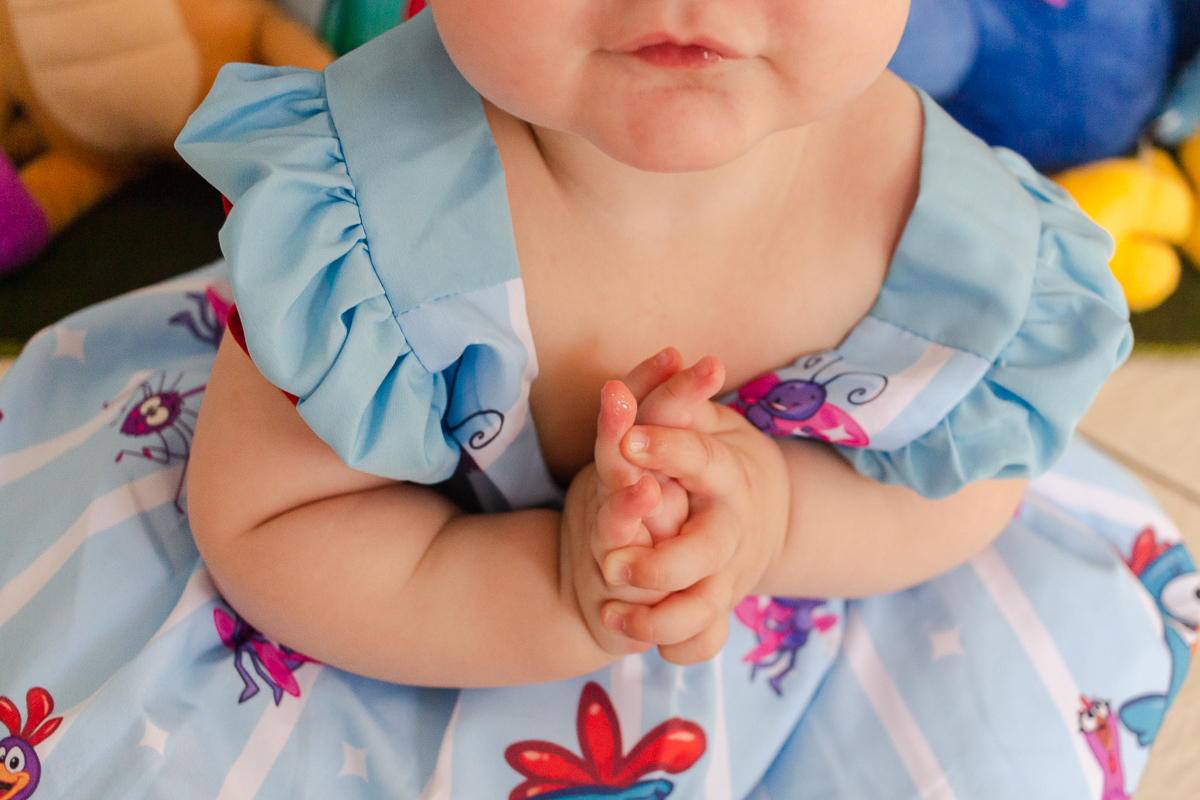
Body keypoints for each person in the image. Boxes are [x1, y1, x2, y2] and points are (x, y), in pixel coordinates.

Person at [0, 2, 1190, 799]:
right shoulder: (363, 216)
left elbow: (967, 484)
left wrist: (778, 517)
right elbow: (269, 522)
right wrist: (560, 587)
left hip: (789, 608)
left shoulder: (942, 226)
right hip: (396, 600)